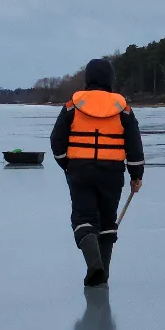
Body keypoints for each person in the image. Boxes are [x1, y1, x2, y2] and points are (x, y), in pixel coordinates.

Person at [50, 59, 145, 287]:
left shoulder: (72, 105)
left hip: (80, 171)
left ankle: (95, 267)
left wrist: (67, 164)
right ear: (110, 79)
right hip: (112, 173)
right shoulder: (123, 109)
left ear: (88, 79)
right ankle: (103, 273)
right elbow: (134, 145)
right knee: (107, 220)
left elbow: (56, 140)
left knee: (84, 219)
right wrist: (136, 175)